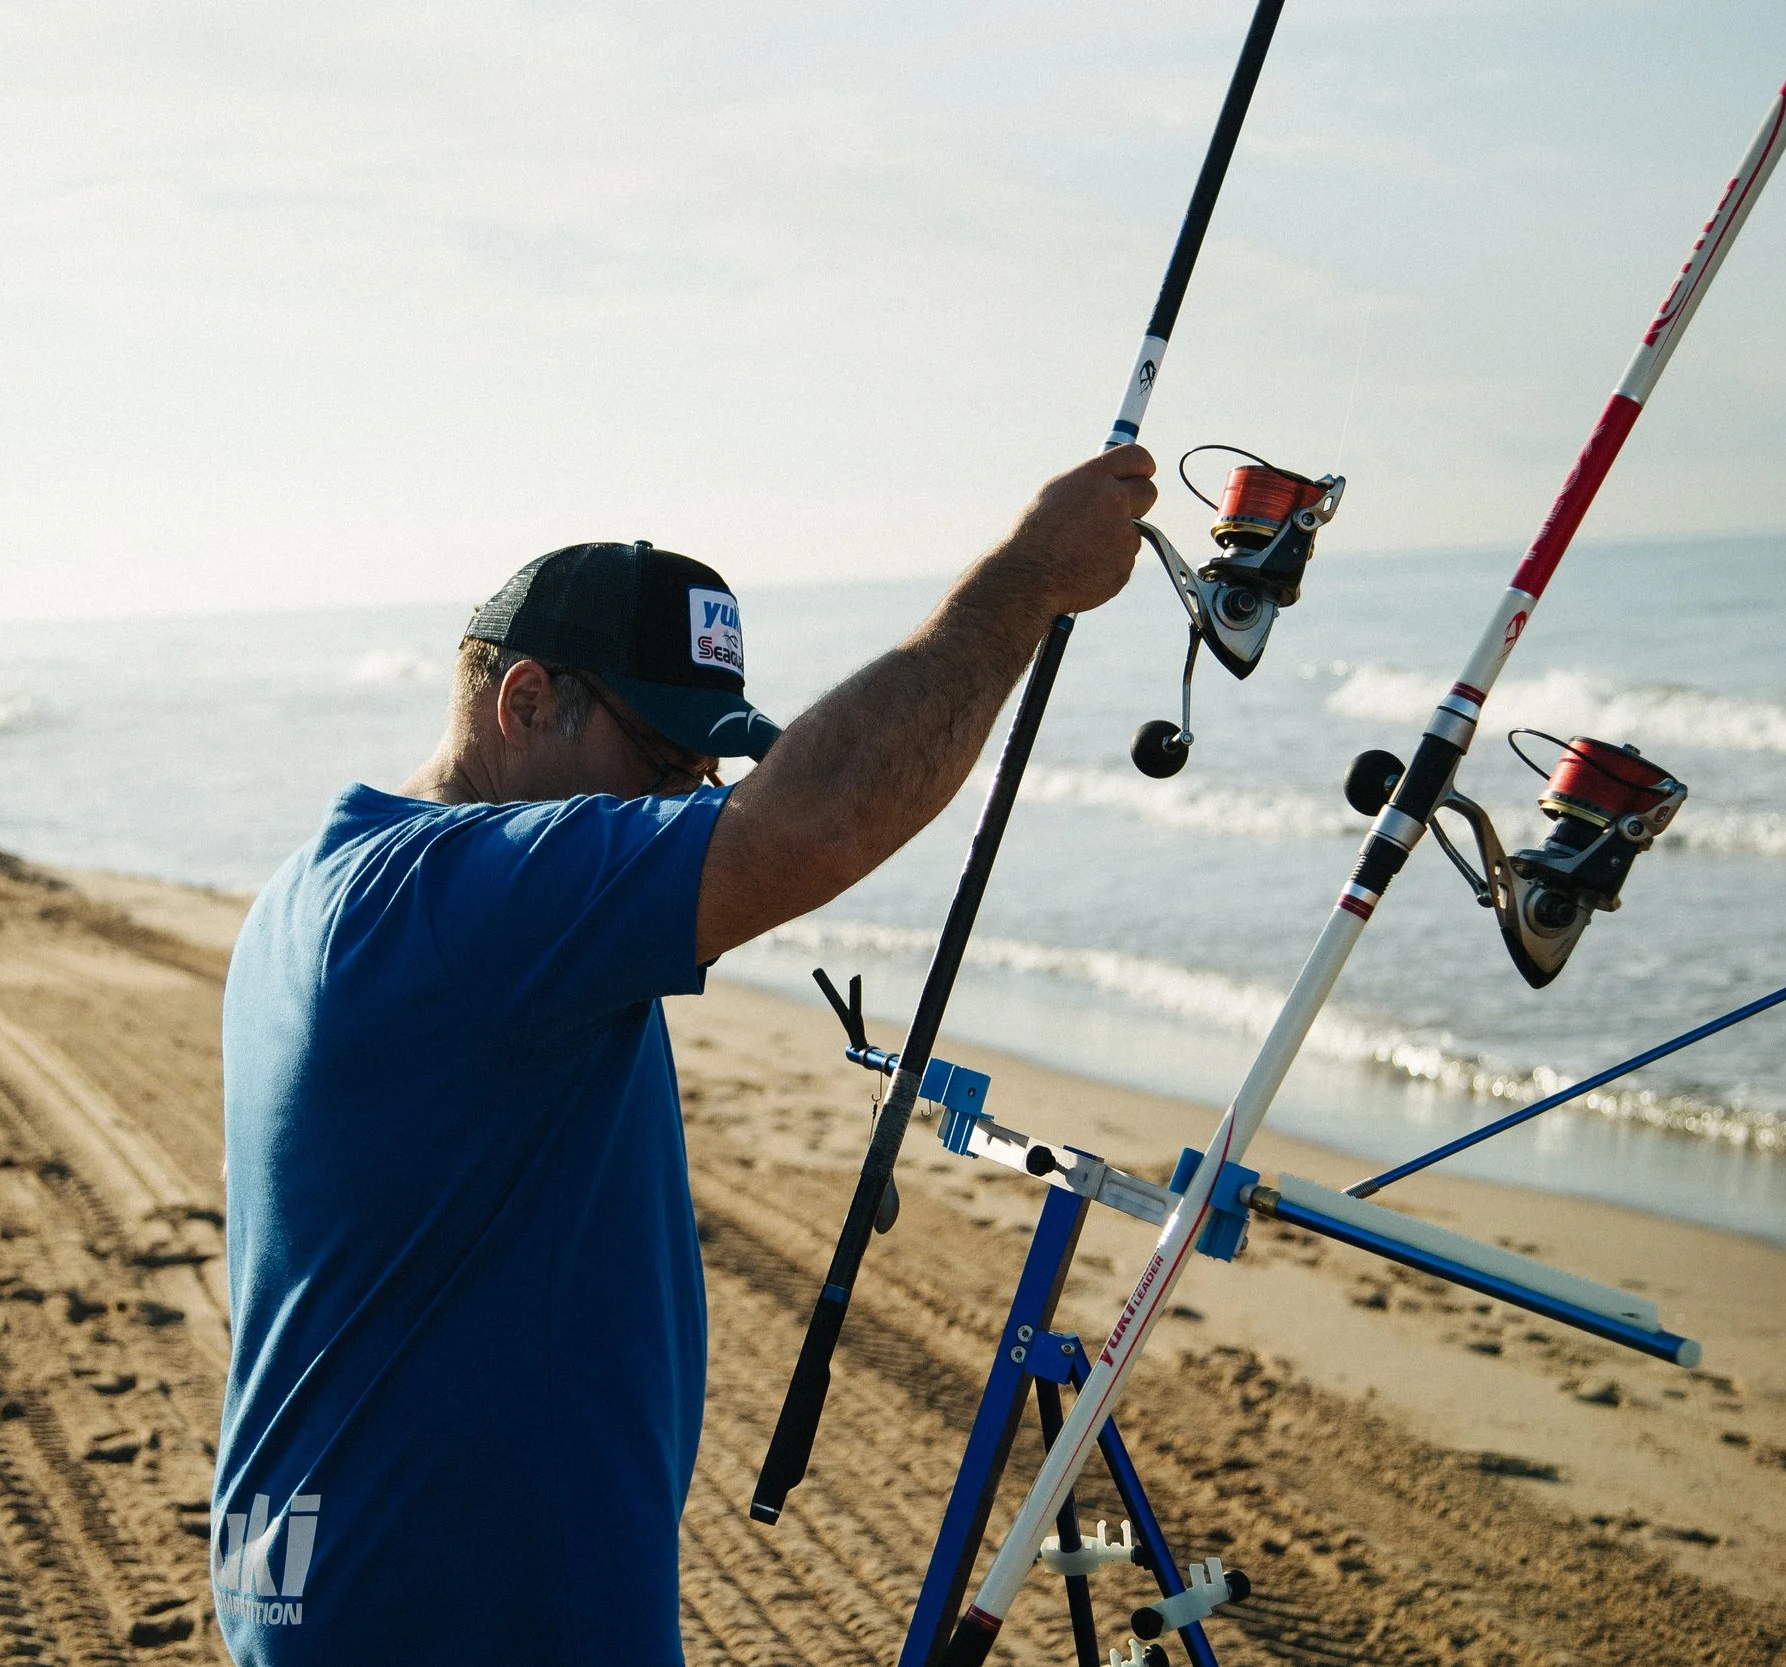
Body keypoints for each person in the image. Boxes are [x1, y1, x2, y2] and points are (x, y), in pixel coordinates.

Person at [212, 445, 1157, 1666]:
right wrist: (1027, 579)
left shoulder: (322, 886)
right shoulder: (465, 898)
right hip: (455, 1609)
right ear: (526, 701)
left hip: (348, 1582)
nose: (692, 795)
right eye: (665, 761)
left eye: (712, 767)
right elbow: (809, 825)